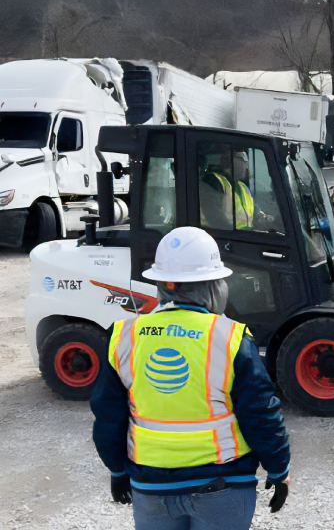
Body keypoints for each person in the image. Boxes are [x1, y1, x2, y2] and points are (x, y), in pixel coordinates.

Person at [91, 226, 291, 530]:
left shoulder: (125, 336)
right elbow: (260, 414)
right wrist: (278, 469)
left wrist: (118, 469)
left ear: (161, 284)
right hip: (223, 485)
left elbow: (108, 414)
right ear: (212, 286)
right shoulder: (230, 338)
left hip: (151, 488)